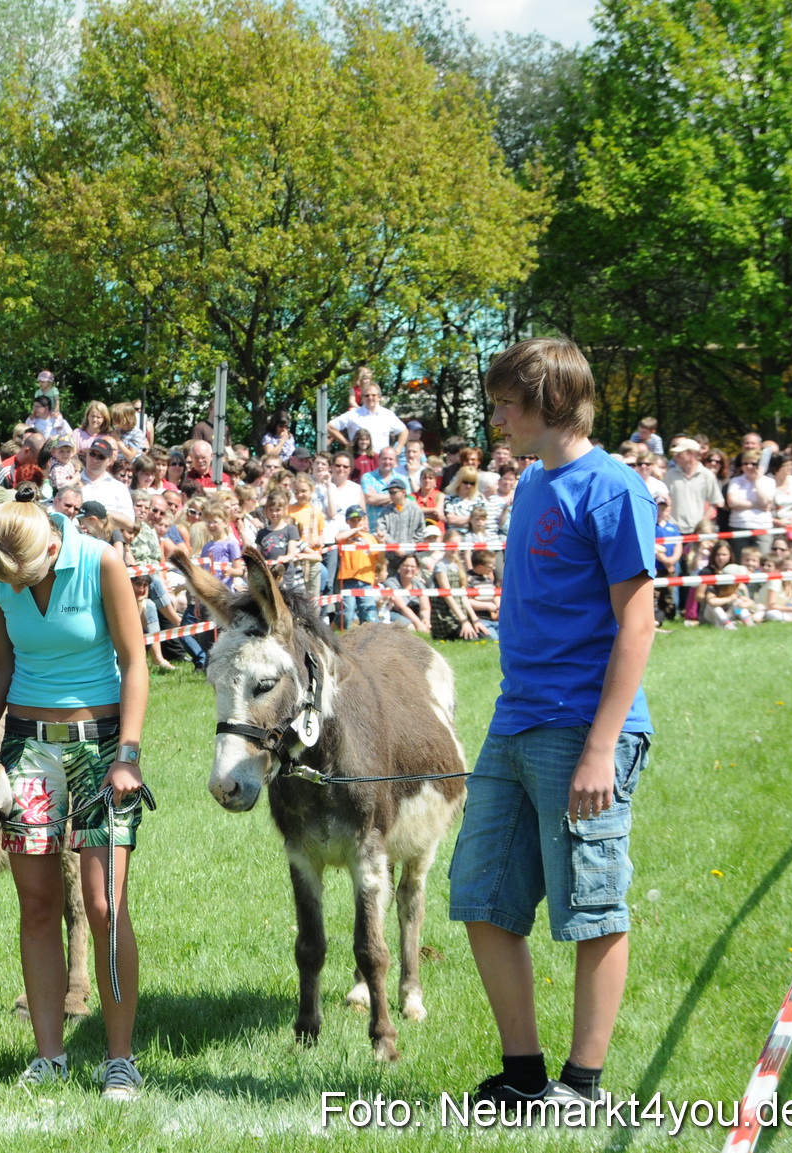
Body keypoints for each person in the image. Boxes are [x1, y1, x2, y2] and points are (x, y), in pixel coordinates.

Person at [449, 337, 657, 1106]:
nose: (497, 417)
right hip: (515, 722)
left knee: (591, 907)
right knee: (479, 894)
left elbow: (637, 624)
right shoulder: (531, 483)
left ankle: (583, 1082)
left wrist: (601, 747)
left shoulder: (611, 488)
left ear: (552, 402)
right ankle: (524, 1073)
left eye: (507, 402)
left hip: (582, 730)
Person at [0, 484, 150, 1100]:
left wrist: (126, 755)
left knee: (104, 907)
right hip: (25, 745)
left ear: (55, 543)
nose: (16, 588)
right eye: (8, 581)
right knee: (38, 904)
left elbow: (135, 663)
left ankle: (121, 1059)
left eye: (26, 576)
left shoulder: (102, 561)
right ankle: (49, 1056)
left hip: (101, 746)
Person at [328, 369, 407, 452]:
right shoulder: (353, 414)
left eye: (373, 395)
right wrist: (347, 443)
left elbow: (404, 431)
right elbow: (330, 427)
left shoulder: (387, 414)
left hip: (381, 461)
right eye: (367, 395)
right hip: (358, 461)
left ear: (379, 397)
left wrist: (397, 450)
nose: (370, 398)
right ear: (362, 398)